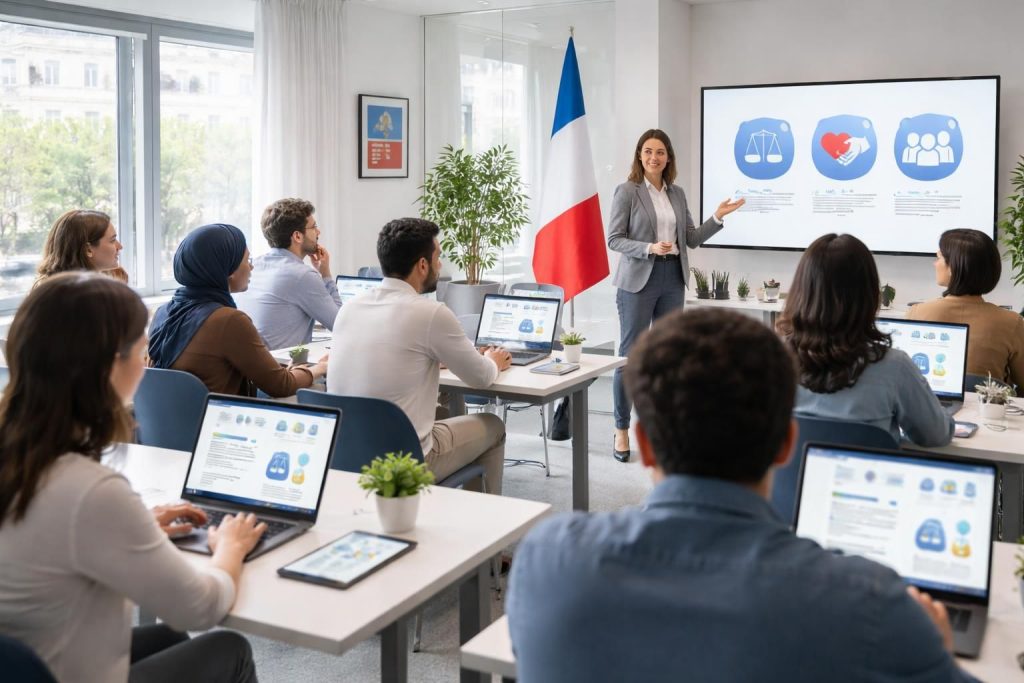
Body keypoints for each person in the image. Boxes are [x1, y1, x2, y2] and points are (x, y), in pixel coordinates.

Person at [507, 307, 973, 682]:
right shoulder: (871, 603)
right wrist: (936, 651)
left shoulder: (549, 561)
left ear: (644, 444)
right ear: (787, 443)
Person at [0, 272, 265, 683]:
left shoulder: (25, 456)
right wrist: (229, 547)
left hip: (29, 657)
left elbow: (50, 535)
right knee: (228, 648)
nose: (146, 363)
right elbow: (200, 608)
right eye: (142, 351)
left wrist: (136, 524)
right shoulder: (89, 490)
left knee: (168, 638)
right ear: (110, 367)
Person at [327, 218, 511, 493]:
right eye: (437, 257)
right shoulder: (430, 313)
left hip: (347, 455)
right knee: (493, 425)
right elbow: (481, 377)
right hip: (407, 459)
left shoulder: (350, 307)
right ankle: (485, 526)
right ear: (422, 265)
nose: (440, 265)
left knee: (442, 406)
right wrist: (493, 361)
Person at [606, 128, 744, 462]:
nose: (654, 157)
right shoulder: (627, 191)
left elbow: (692, 238)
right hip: (639, 279)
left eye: (661, 152)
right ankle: (622, 429)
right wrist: (649, 247)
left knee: (668, 356)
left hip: (672, 278)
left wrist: (717, 217)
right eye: (649, 151)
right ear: (640, 155)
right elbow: (614, 239)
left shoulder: (677, 193)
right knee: (630, 356)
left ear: (669, 158)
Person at [777, 233, 953, 446]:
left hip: (789, 479)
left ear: (801, 291)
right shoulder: (894, 367)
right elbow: (936, 435)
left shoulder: (772, 362)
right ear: (869, 295)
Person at [148, 223, 327, 397]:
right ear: (228, 269)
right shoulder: (228, 320)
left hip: (172, 426)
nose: (251, 266)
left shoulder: (162, 314)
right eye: (247, 260)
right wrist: (319, 368)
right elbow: (281, 386)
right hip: (219, 424)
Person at [908, 228, 1024, 390]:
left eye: (939, 257)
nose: (935, 264)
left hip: (929, 410)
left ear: (952, 267)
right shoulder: (1012, 322)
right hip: (988, 411)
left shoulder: (917, 313)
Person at [237, 198, 343, 350]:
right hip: (281, 369)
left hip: (251, 366)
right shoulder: (302, 275)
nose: (318, 232)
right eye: (314, 227)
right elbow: (340, 324)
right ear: (297, 236)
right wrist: (325, 274)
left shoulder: (254, 266)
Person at [36, 208, 125, 282]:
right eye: (112, 240)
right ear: (88, 250)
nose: (120, 246)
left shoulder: (55, 287)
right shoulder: (82, 296)